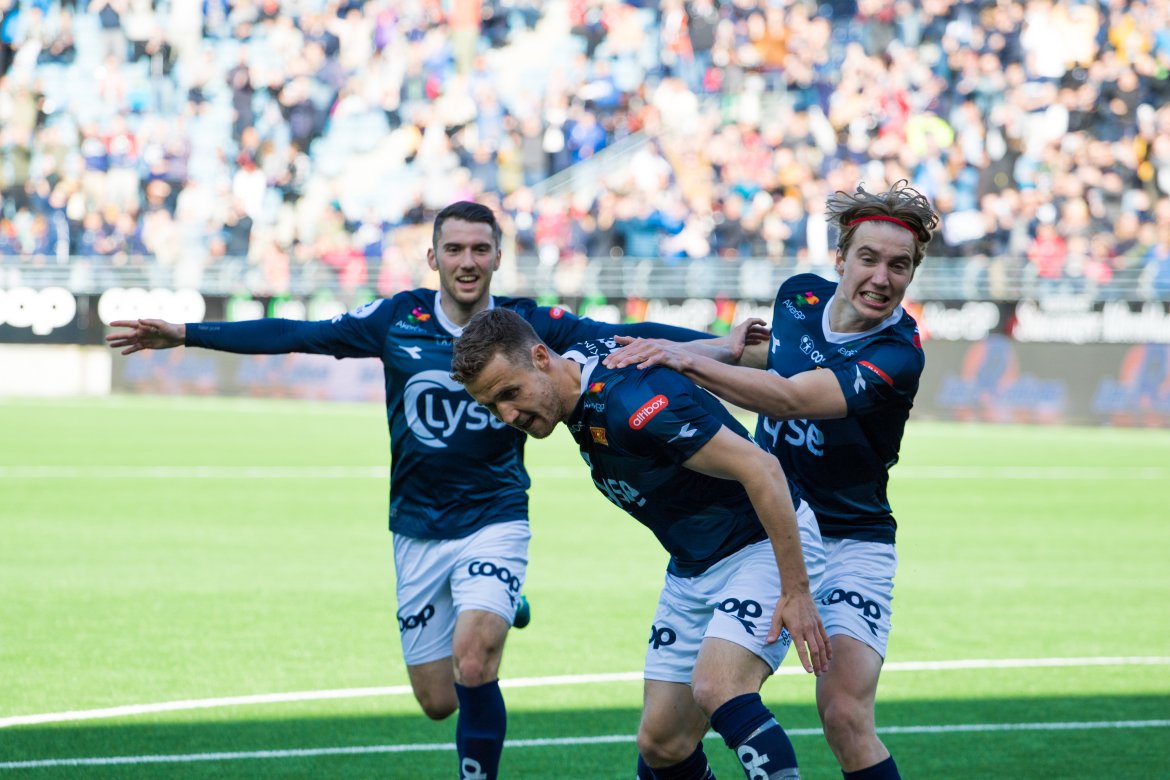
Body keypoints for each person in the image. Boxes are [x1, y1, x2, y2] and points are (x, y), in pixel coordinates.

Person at [106, 201, 711, 780]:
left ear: (499, 257)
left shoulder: (530, 325)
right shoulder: (397, 319)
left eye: (480, 248)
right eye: (454, 249)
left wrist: (708, 346)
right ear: (433, 258)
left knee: (475, 657)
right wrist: (187, 333)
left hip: (496, 516)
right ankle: (505, 604)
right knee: (438, 699)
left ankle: (491, 614)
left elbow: (626, 332)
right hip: (416, 526)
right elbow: (298, 332)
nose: (467, 260)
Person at [602, 181, 940, 780]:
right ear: (840, 257)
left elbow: (787, 398)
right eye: (868, 258)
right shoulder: (797, 297)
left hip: (850, 540)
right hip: (761, 532)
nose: (882, 277)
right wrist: (688, 349)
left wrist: (686, 360)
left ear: (912, 274)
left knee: (843, 714)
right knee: (665, 737)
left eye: (899, 266)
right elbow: (769, 358)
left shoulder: (898, 353)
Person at [450, 307, 831, 780]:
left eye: (510, 393)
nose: (507, 415)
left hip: (761, 543)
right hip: (694, 564)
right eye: (491, 406)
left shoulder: (634, 407)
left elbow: (763, 469)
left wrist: (796, 591)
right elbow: (650, 351)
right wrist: (723, 348)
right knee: (662, 743)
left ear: (541, 357)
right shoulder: (585, 366)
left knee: (719, 687)